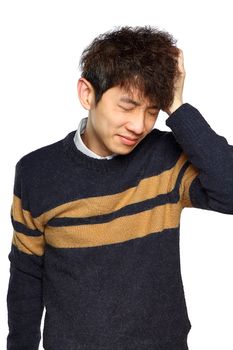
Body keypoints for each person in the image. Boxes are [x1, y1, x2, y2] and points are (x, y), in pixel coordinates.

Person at [6, 25, 233, 350]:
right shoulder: (37, 172)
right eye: (127, 107)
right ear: (87, 94)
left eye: (152, 110)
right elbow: (27, 277)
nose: (139, 125)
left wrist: (179, 109)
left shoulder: (166, 159)